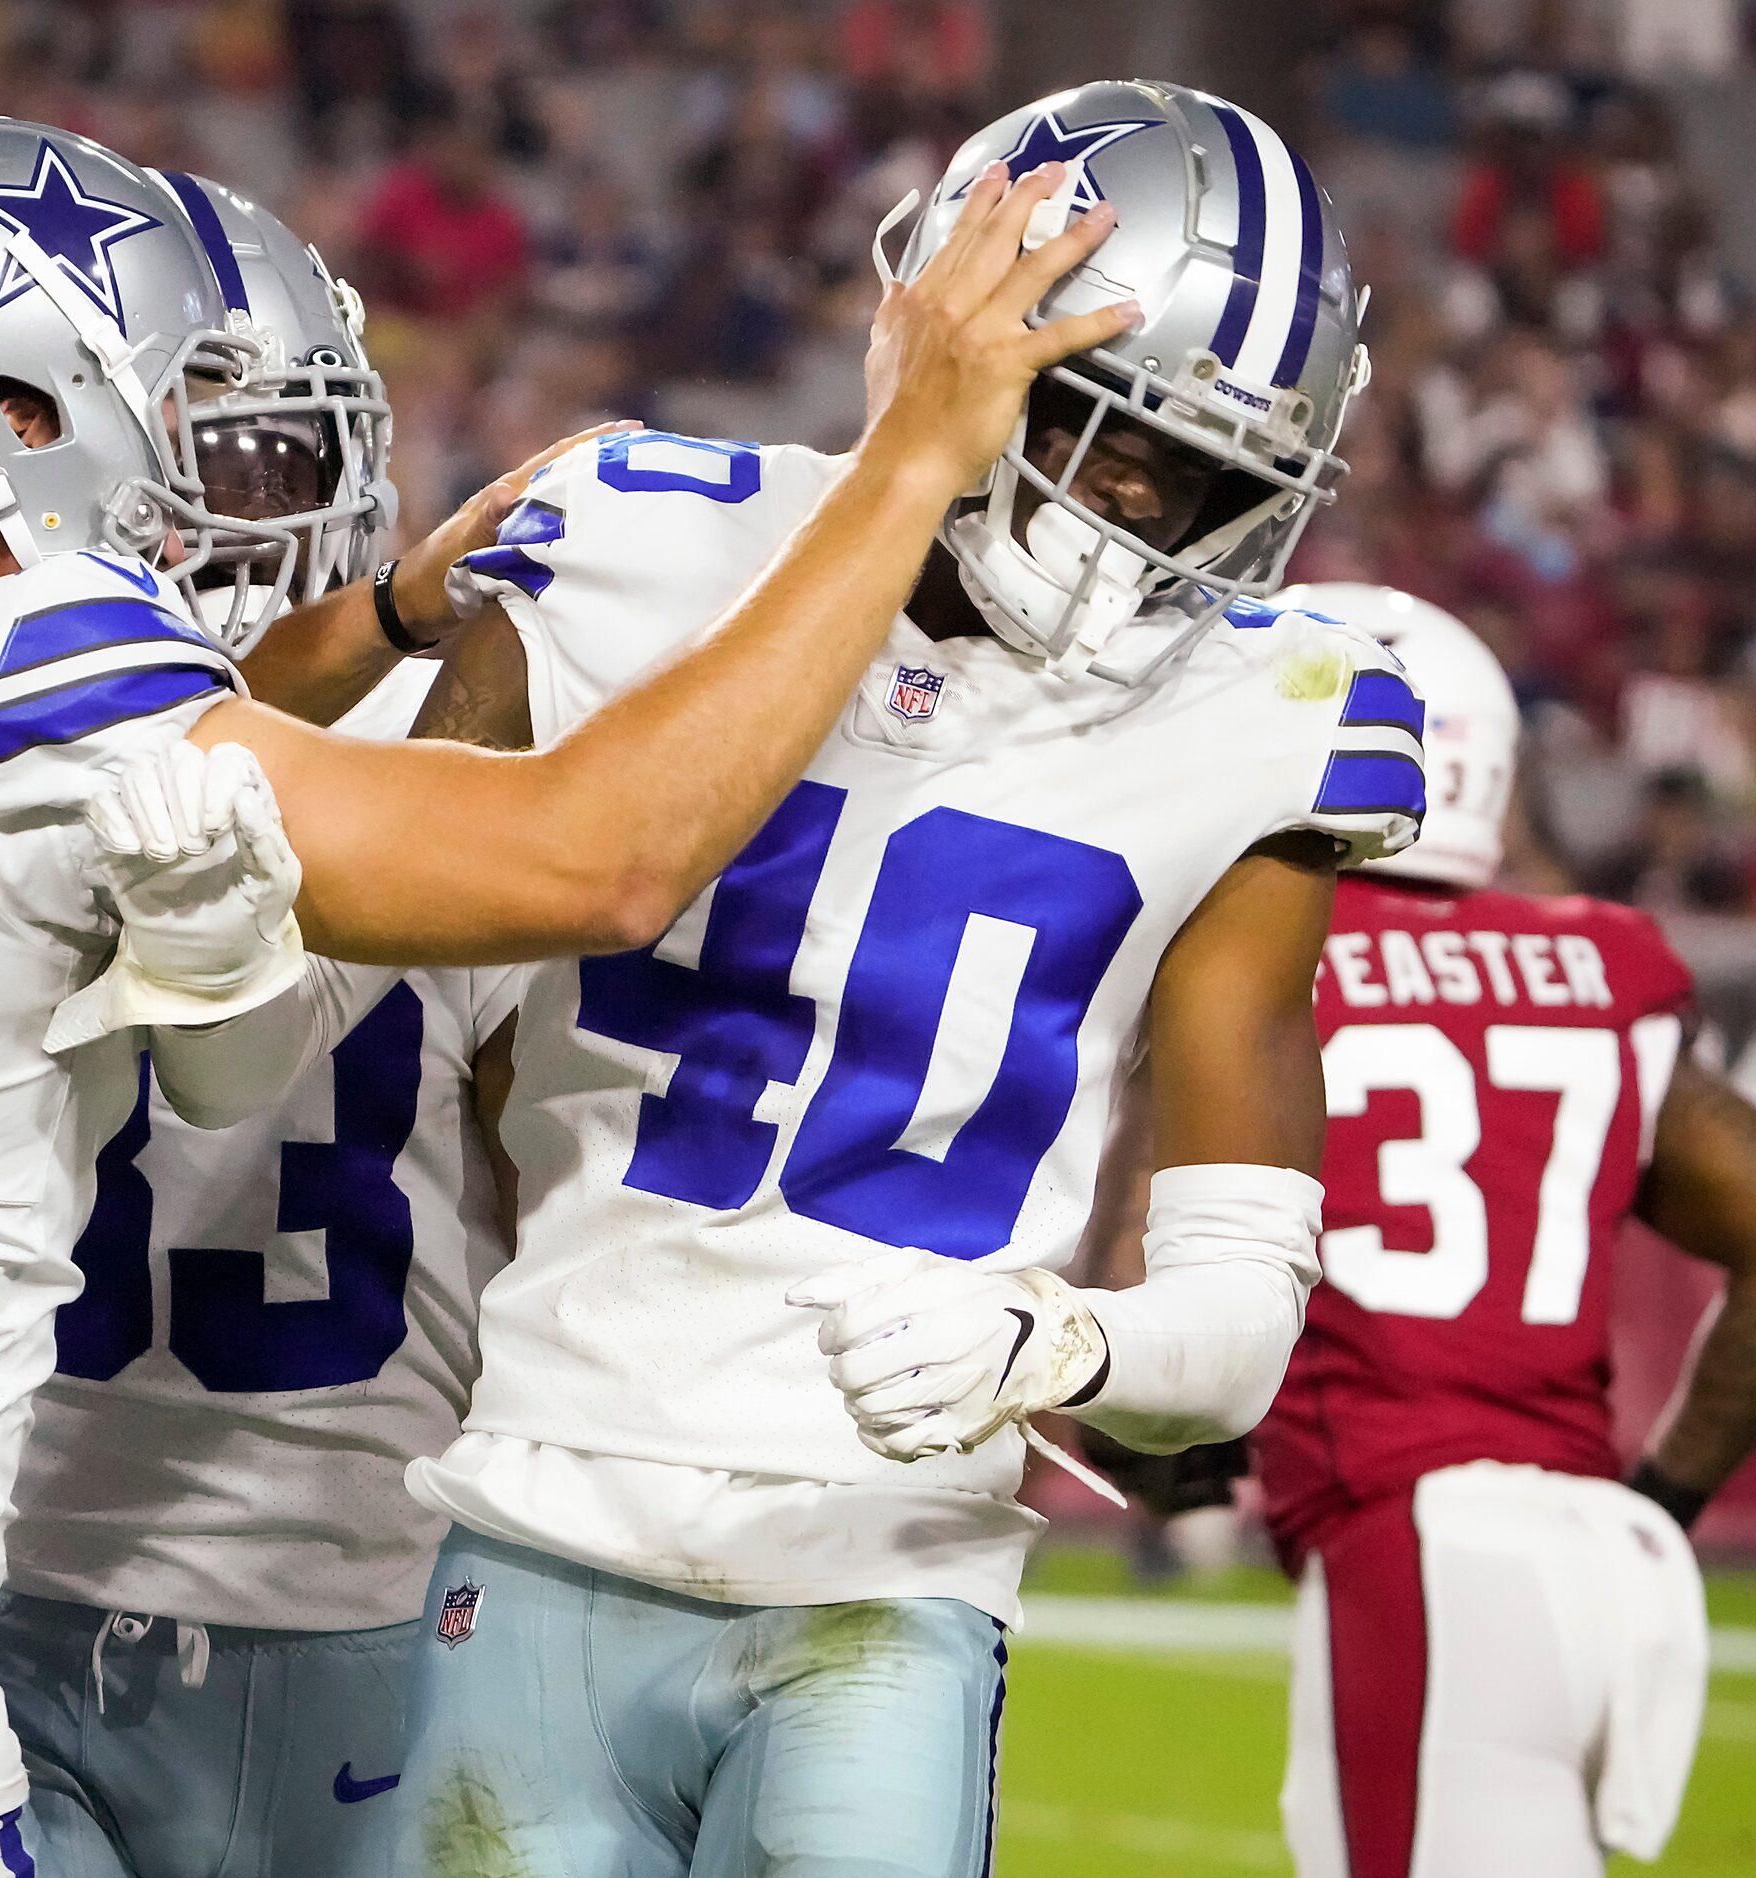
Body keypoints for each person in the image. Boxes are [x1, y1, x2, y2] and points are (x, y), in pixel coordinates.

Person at [0, 116, 1124, 1872]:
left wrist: (379, 620)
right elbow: (604, 854)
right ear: (14, 408)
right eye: (142, 390)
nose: (177, 466)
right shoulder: (52, 681)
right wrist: (905, 460)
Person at [376, 80, 1405, 1877]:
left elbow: (1235, 1336)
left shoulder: (1271, 715)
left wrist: (1062, 1338)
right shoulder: (632, 541)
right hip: (536, 1508)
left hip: (891, 1572)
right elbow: (390, 1070)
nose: (1155, 524)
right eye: (1110, 438)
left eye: (1220, 481)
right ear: (946, 326)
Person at [0, 174, 513, 1878]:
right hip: (314, 1580)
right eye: (176, 465)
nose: (202, 521)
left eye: (252, 464)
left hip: (57, 1562)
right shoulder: (463, 738)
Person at [1247, 582, 1756, 1878]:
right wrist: (1668, 1491)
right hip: (1592, 1555)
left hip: (1419, 1548)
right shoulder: (1598, 962)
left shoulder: (1265, 953)